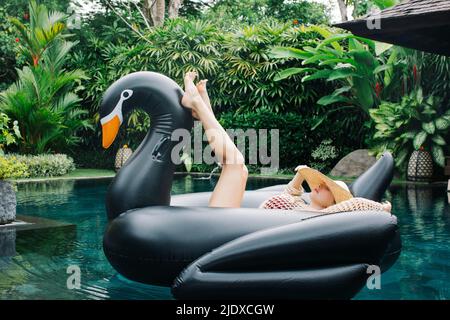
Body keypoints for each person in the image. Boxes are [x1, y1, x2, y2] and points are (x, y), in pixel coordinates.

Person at [180, 71, 392, 213]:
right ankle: (202, 109)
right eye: (322, 183)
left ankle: (199, 106)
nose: (319, 185)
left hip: (220, 231)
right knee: (239, 168)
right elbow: (292, 190)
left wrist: (380, 209)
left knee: (236, 165)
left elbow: (354, 205)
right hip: (226, 222)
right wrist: (303, 174)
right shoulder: (299, 202)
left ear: (335, 202)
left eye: (327, 188)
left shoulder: (326, 215)